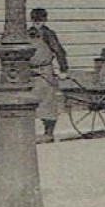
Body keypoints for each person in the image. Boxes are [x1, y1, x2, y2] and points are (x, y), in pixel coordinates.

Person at [29, 8, 69, 143]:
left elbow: (59, 51)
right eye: (35, 21)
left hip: (45, 73)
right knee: (30, 103)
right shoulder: (28, 34)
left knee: (47, 102)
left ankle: (48, 133)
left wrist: (64, 69)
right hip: (30, 73)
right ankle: (29, 133)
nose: (37, 24)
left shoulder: (48, 34)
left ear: (45, 20)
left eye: (40, 21)